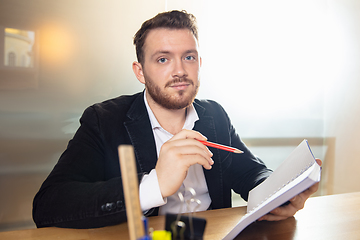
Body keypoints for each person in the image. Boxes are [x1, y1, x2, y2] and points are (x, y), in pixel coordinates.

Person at [32, 10, 321, 229]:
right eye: (162, 59)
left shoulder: (214, 115)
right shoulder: (103, 120)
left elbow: (249, 172)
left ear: (199, 64)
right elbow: (48, 206)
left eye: (189, 57)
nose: (180, 71)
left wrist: (280, 192)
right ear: (140, 71)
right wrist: (154, 184)